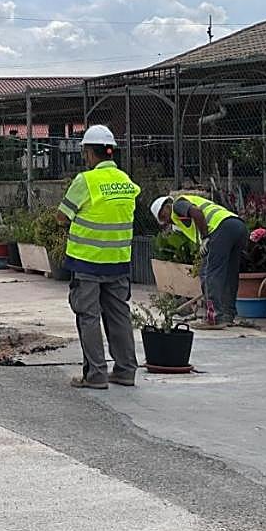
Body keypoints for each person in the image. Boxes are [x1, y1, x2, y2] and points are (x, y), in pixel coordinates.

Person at [55, 124, 140, 389]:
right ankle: (126, 371)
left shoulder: (86, 181)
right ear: (111, 151)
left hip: (87, 261)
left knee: (88, 316)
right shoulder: (127, 183)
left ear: (89, 153)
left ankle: (96, 374)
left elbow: (61, 217)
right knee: (119, 316)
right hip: (118, 261)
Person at [150, 194, 248, 330]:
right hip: (237, 226)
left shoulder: (178, 204)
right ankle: (227, 315)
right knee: (229, 274)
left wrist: (206, 237)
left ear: (167, 206)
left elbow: (196, 212)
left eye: (164, 217)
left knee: (208, 273)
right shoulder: (181, 219)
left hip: (220, 229)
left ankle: (214, 318)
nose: (167, 221)